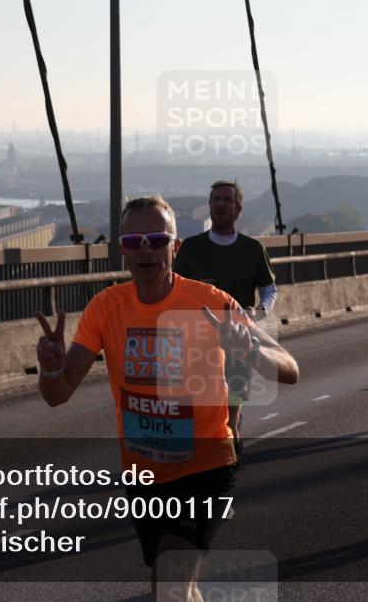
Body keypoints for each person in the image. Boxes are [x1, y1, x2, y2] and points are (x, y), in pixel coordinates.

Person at [35, 195, 298, 601]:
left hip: (206, 467)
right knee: (179, 588)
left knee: (169, 583)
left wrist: (248, 350)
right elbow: (59, 393)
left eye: (157, 240)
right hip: (143, 476)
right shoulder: (105, 308)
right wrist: (51, 368)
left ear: (176, 248)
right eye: (134, 241)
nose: (146, 250)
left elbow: (289, 369)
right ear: (122, 250)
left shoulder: (211, 303)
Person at [173, 180, 278, 459]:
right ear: (209, 206)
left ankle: (228, 462)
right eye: (215, 199)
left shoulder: (252, 249)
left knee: (231, 417)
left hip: (238, 344)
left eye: (227, 200)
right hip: (196, 345)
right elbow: (173, 288)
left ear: (238, 209)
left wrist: (259, 311)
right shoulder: (191, 248)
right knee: (198, 412)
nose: (220, 204)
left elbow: (269, 288)